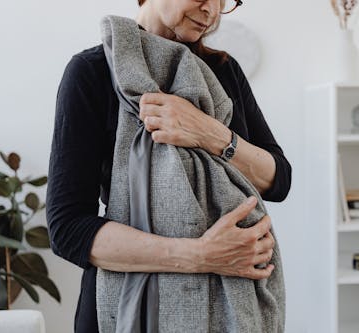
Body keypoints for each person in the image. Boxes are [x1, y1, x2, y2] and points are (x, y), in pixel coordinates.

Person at [46, 0, 292, 332]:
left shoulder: (222, 71)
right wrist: (201, 256)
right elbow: (68, 228)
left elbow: (278, 178)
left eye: (225, 1)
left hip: (233, 304)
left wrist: (211, 133)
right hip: (124, 307)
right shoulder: (93, 71)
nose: (213, 11)